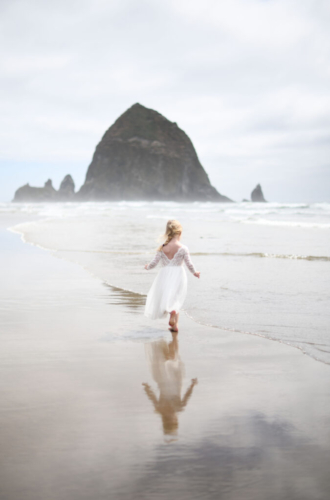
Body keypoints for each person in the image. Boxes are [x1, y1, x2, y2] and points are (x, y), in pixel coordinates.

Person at [144, 220, 200, 332]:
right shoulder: (183, 248)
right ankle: (175, 323)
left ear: (168, 232)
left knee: (167, 296)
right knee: (176, 297)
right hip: (179, 274)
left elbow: (154, 263)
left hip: (164, 275)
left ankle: (173, 322)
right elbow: (189, 263)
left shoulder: (162, 247)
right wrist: (195, 272)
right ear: (180, 233)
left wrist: (148, 267)